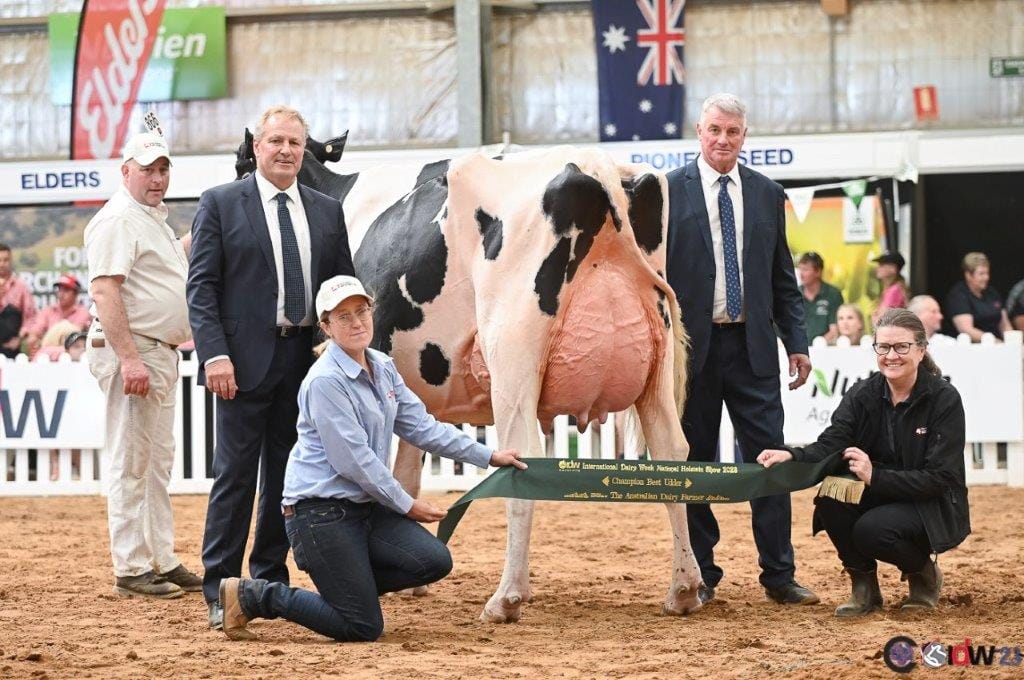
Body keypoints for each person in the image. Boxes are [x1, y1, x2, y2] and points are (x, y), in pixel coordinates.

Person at [218, 275, 527, 641]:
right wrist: (407, 504)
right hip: (319, 515)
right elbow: (356, 462)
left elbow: (424, 427)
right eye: (343, 316)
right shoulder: (325, 382)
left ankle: (348, 590)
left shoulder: (382, 366)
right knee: (362, 627)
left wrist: (489, 455)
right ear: (326, 327)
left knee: (433, 561)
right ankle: (256, 595)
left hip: (365, 509)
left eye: (362, 311)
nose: (357, 322)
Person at [188, 105, 355, 630]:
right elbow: (202, 288)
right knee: (234, 477)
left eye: (295, 143)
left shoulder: (328, 210)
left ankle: (269, 578)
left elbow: (341, 289)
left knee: (289, 478)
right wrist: (214, 354)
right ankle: (219, 588)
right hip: (237, 363)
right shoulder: (220, 203)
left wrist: (340, 347)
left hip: (305, 363)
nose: (286, 151)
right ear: (257, 147)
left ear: (305, 151)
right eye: (276, 141)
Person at [665, 92, 817, 606]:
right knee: (697, 465)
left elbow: (783, 280)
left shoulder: (768, 192)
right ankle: (702, 573)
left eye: (733, 131)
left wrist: (796, 343)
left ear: (744, 136)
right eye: (714, 130)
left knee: (770, 461)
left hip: (754, 352)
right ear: (699, 132)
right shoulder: (667, 193)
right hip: (691, 354)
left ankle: (779, 575)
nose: (723, 140)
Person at [758, 309, 969, 617]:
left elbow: (940, 477)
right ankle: (864, 587)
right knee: (831, 497)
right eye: (883, 347)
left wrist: (875, 476)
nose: (891, 356)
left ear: (921, 351)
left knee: (872, 530)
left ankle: (923, 575)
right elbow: (833, 441)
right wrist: (792, 454)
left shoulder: (944, 399)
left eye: (901, 347)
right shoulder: (864, 393)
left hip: (930, 503)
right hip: (882, 490)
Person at [83, 131, 201, 598]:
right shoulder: (118, 220)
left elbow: (166, 272)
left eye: (163, 169)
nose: (157, 178)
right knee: (132, 459)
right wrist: (129, 358)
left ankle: (161, 558)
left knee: (155, 462)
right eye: (148, 169)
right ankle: (131, 567)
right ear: (125, 171)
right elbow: (105, 290)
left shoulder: (151, 219)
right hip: (136, 353)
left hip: (158, 352)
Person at [944, 252, 1011, 341]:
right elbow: (966, 329)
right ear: (968, 275)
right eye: (981, 274)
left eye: (987, 273)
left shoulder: (992, 292)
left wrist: (1011, 341)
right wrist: (995, 342)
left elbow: (1004, 324)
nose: (986, 277)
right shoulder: (958, 295)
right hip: (973, 348)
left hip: (998, 345)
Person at [25, 273, 92, 356]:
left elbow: (73, 337)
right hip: (48, 358)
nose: (61, 294)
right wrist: (34, 342)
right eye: (60, 289)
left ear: (75, 293)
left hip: (73, 358)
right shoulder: (48, 311)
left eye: (66, 290)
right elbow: (34, 333)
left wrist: (47, 346)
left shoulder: (83, 312)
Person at [0, 243, 38, 358]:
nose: (2, 264)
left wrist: (19, 338)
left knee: (11, 312)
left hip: (12, 342)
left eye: (5, 260)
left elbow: (30, 317)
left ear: (11, 261)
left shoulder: (21, 287)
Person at [798, 251, 843, 344]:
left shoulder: (833, 294)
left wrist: (819, 344)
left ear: (818, 271)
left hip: (825, 350)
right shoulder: (793, 294)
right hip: (798, 351)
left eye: (805, 270)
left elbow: (835, 330)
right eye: (800, 269)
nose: (801, 274)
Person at [871, 252, 909, 325]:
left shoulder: (894, 291)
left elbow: (881, 321)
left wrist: (875, 316)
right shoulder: (891, 289)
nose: (877, 268)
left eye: (881, 265)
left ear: (893, 269)